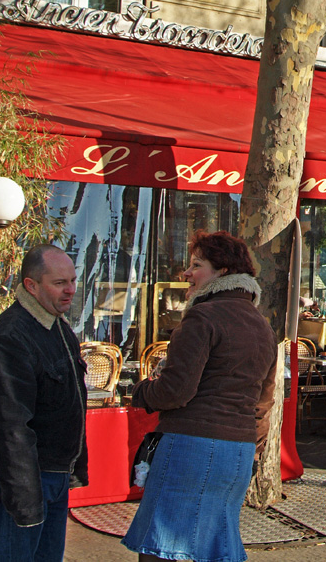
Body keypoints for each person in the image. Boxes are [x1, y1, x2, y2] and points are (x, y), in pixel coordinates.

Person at [121, 231, 277, 562]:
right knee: (214, 548)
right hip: (238, 452)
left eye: (196, 265)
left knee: (163, 548)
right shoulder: (262, 326)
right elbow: (264, 403)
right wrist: (253, 450)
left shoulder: (202, 316)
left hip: (192, 445)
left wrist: (139, 391)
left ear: (223, 271)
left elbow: (175, 391)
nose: (187, 273)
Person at [0, 244, 88, 562]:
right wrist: (25, 498)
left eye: (73, 280)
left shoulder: (56, 325)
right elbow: (10, 429)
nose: (70, 290)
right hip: (24, 479)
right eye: (59, 283)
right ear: (31, 285)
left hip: (51, 474)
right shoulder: (8, 338)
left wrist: (74, 468)